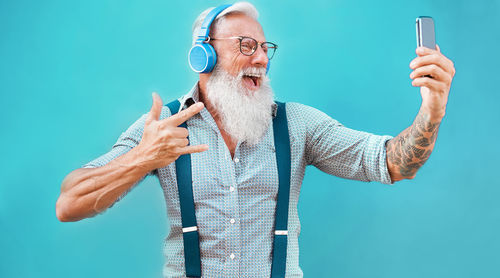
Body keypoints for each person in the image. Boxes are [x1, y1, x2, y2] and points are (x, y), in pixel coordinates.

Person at [56, 2, 455, 277]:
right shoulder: (165, 126)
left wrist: (432, 110)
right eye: (246, 46)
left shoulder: (297, 125)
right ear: (203, 57)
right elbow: (70, 204)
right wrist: (143, 157)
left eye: (265, 48)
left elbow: (393, 163)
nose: (261, 58)